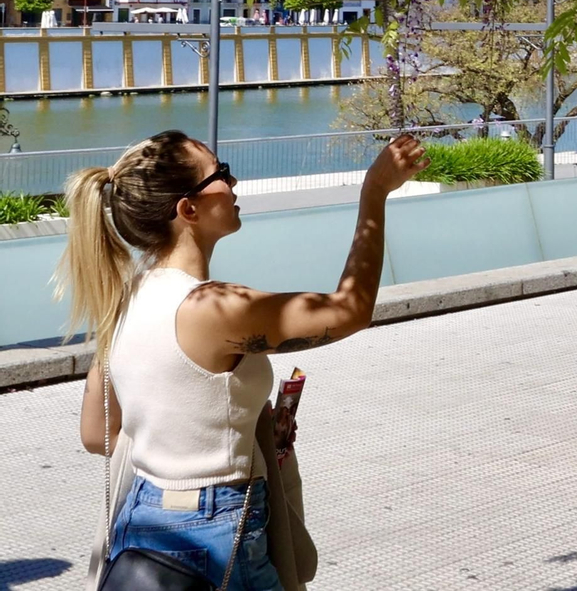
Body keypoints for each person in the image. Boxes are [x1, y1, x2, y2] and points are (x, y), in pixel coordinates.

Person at [56, 127, 426, 589]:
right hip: (215, 529)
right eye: (221, 174)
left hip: (142, 522)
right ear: (188, 209)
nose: (234, 185)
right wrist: (375, 191)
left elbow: (97, 434)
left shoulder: (126, 299)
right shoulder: (212, 306)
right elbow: (351, 311)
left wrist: (223, 428)